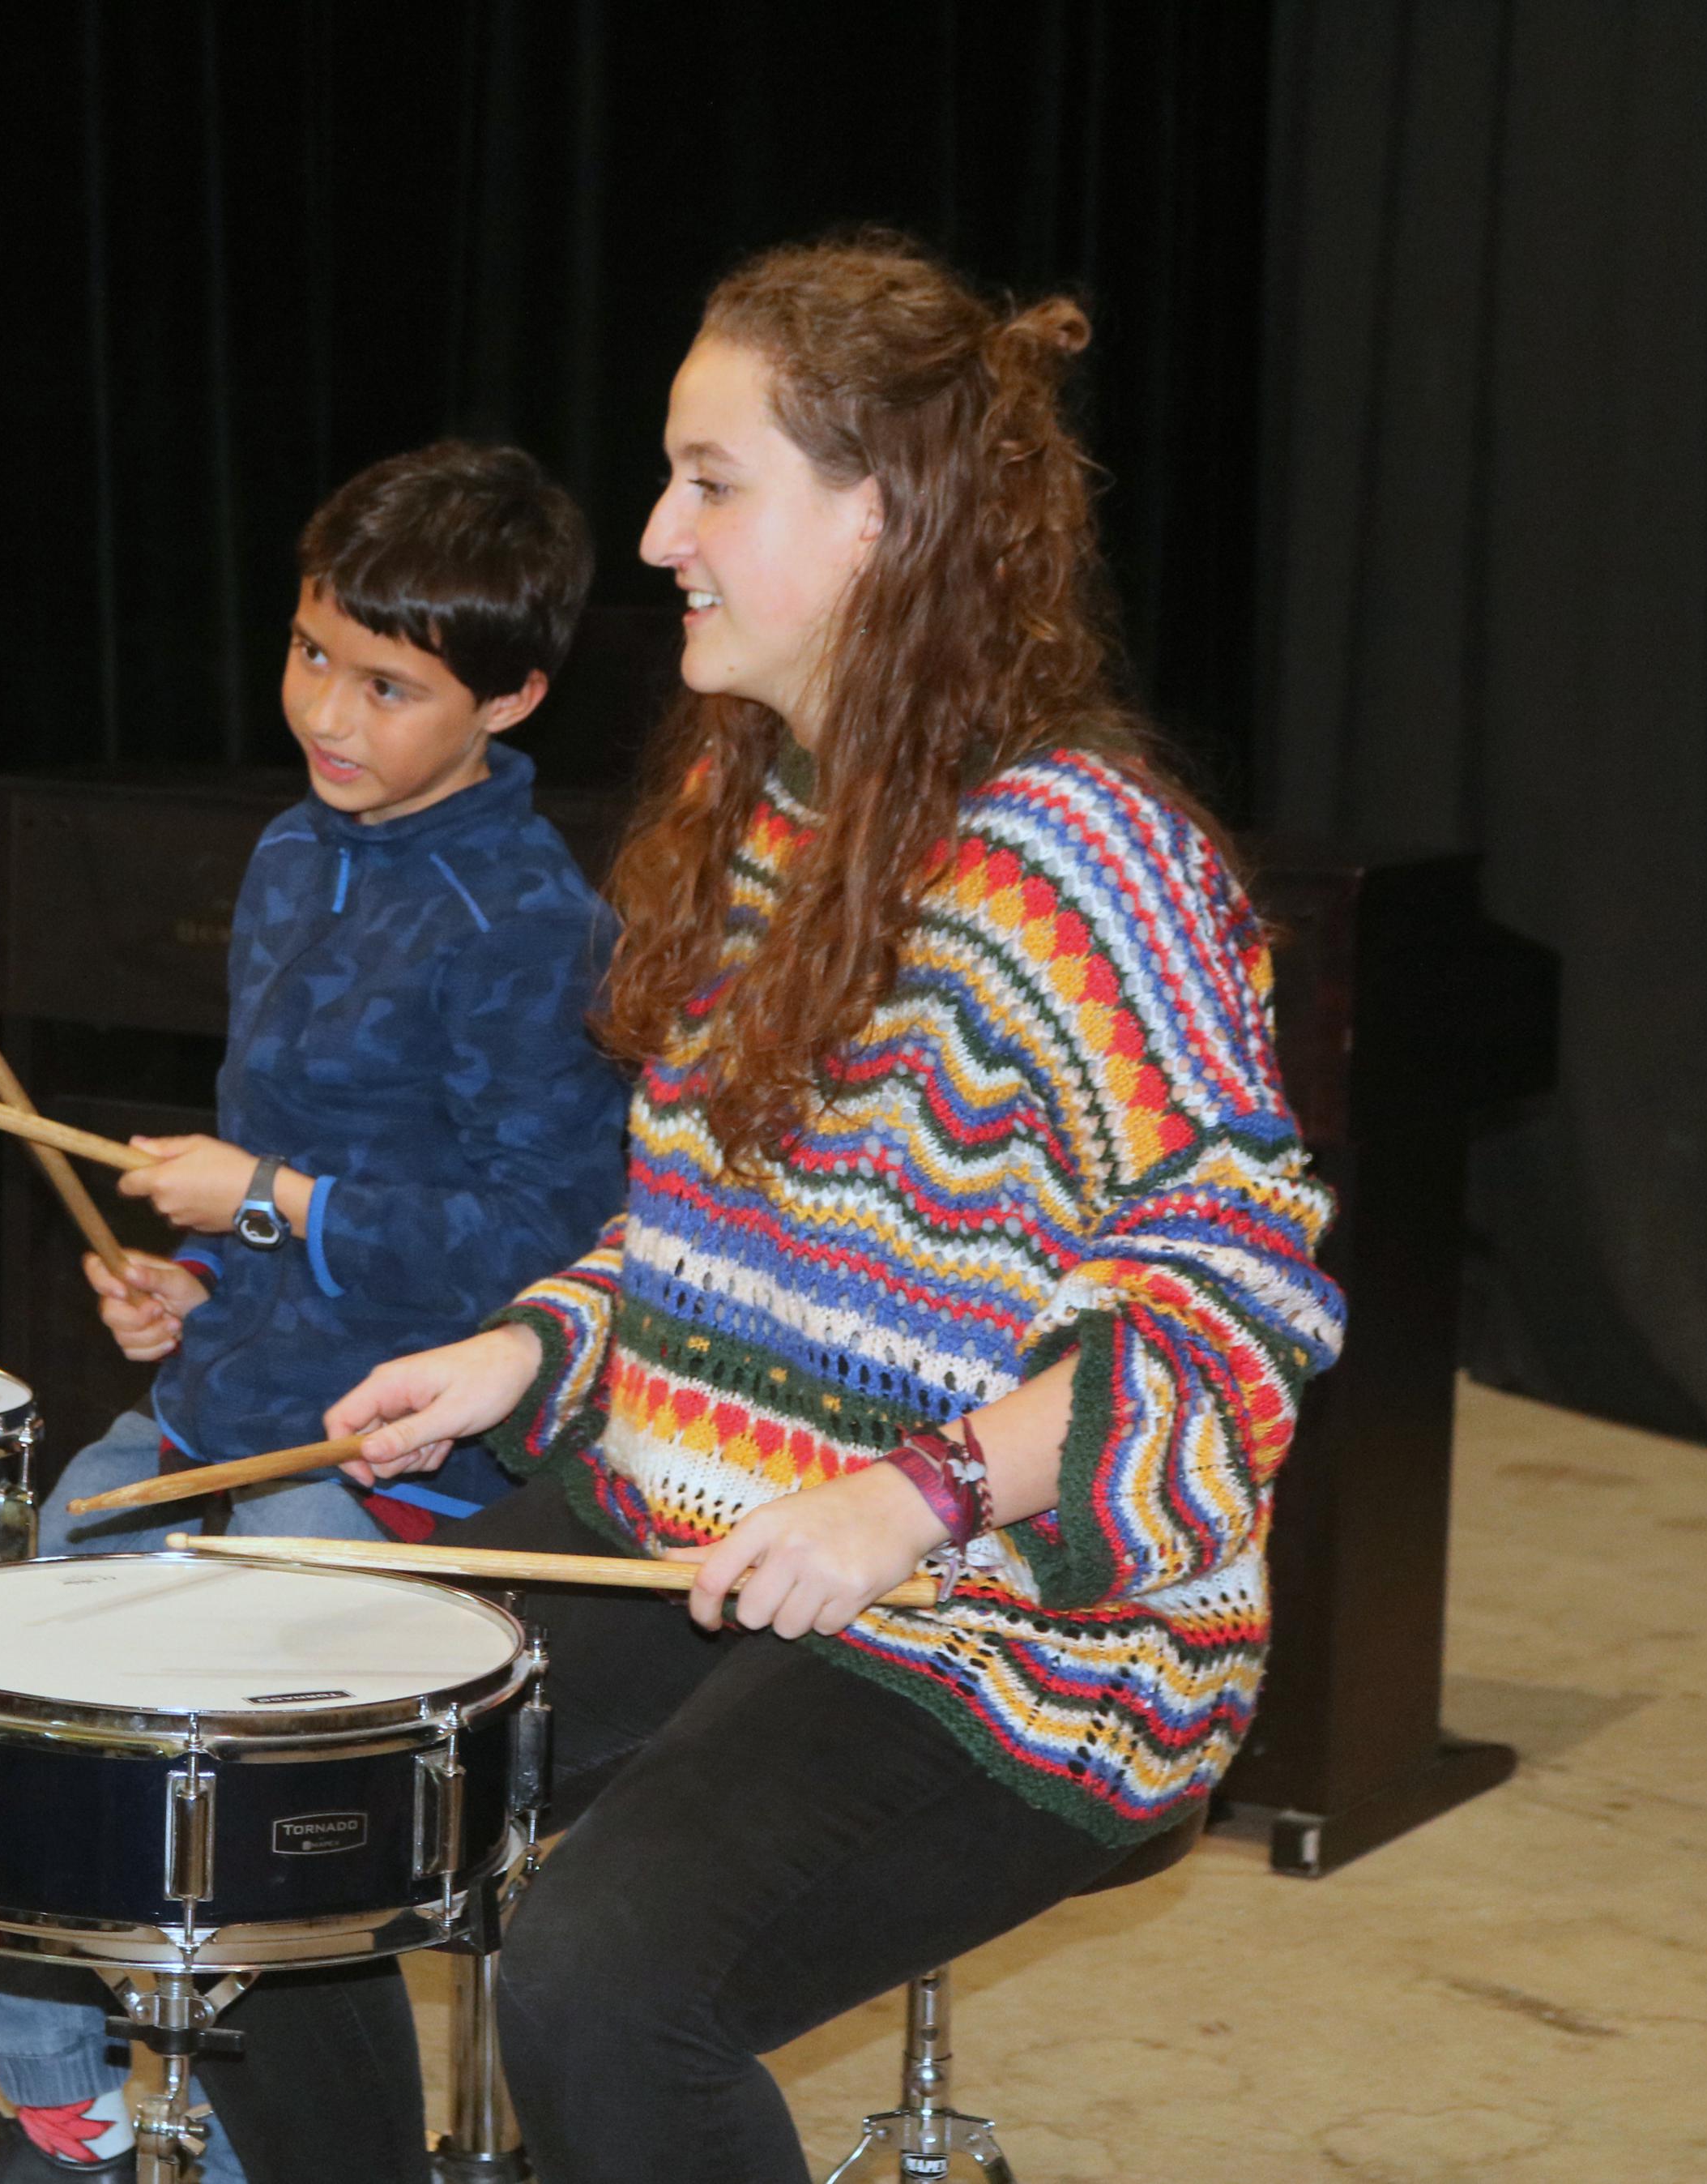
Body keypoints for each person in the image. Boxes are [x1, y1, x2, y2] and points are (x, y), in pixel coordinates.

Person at [190, 233, 1350, 2184]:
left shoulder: (1081, 856)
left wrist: (921, 1490)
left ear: (882, 517)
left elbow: (1236, 1311)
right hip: (696, 1520)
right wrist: (520, 1349)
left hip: (1020, 1622)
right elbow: (718, 1244)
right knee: (273, 1801)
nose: (656, 534)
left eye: (710, 479)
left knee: (595, 1980)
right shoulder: (762, 802)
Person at [0, 440, 629, 2182]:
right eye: (314, 649)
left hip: (410, 1443)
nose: (329, 708)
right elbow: (294, 1180)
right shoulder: (285, 857)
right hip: (237, 1391)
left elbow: (537, 1242)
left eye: (390, 685)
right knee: (12, 1642)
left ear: (514, 694)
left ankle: (287, 2140)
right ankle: (67, 2093)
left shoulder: (530, 919)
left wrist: (265, 1201)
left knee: (256, 1764)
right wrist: (199, 1277)